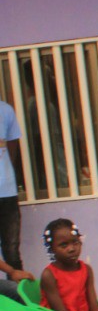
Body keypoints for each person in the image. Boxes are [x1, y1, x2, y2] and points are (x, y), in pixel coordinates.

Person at [0, 97, 25, 274]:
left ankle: (17, 291)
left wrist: (8, 174)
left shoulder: (6, 110)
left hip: (7, 192)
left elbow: (12, 147)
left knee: (12, 252)